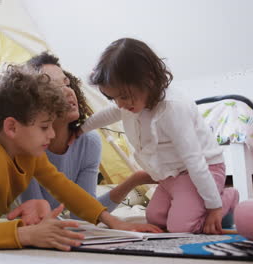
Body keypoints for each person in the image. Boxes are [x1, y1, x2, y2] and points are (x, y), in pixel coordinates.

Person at [0, 64, 161, 251]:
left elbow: (65, 188)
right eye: (44, 126)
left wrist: (113, 222)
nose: (50, 134)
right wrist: (27, 234)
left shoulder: (28, 153)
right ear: (11, 127)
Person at [78, 38, 240, 235]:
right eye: (113, 98)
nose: (119, 104)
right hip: (169, 175)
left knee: (181, 228)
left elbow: (194, 160)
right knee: (155, 218)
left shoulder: (172, 108)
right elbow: (109, 113)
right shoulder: (131, 103)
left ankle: (226, 198)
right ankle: (202, 206)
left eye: (123, 97)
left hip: (200, 170)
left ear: (148, 80)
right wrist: (80, 129)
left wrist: (214, 206)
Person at [8, 52, 154, 225]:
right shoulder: (26, 147)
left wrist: (134, 180)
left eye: (66, 83)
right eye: (54, 87)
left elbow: (83, 213)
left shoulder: (88, 142)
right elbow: (35, 217)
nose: (68, 92)